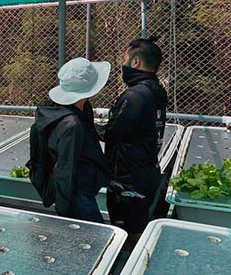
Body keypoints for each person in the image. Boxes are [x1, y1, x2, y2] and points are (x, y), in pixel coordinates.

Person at [105, 38, 168, 242]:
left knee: (128, 234)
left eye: (125, 59)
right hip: (146, 169)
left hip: (128, 179)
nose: (123, 65)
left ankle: (127, 268)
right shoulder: (155, 92)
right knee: (140, 224)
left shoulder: (134, 96)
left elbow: (112, 133)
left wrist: (86, 123)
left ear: (136, 62)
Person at [35, 57, 111, 223]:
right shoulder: (72, 125)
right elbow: (65, 168)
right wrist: (64, 205)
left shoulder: (58, 109)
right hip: (78, 192)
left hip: (79, 188)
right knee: (96, 235)